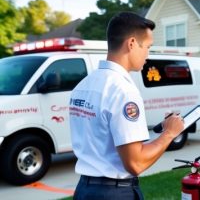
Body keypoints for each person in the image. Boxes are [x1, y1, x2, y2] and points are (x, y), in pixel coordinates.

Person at [69, 11, 184, 200]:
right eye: (147, 47)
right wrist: (169, 133)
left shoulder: (84, 85)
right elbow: (135, 163)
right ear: (131, 44)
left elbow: (105, 143)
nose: (148, 54)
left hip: (84, 190)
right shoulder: (123, 90)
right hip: (113, 193)